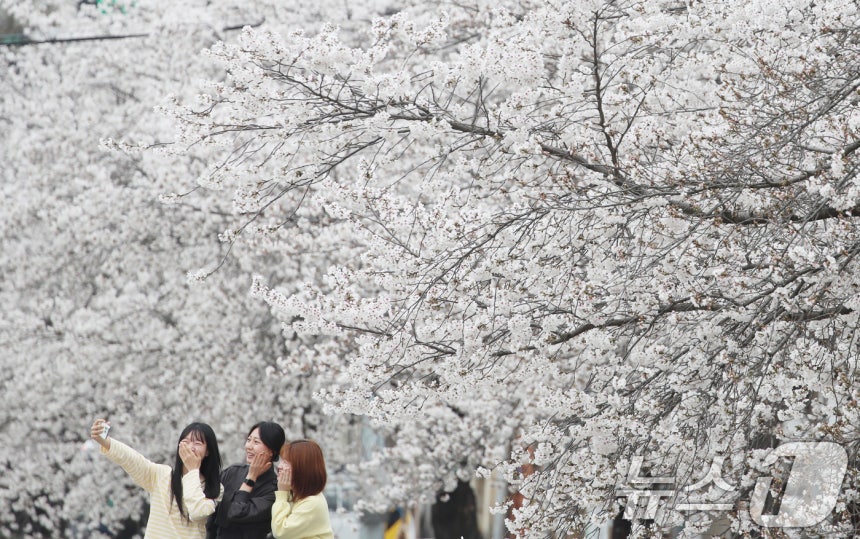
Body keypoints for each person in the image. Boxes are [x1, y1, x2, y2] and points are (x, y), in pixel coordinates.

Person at [90, 418, 223, 539]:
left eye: (197, 443)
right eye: (186, 442)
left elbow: (197, 512)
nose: (190, 447)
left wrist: (192, 470)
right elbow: (133, 460)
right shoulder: (162, 475)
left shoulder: (215, 488)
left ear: (208, 451)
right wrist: (105, 441)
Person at [207, 421, 286, 538]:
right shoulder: (232, 472)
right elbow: (211, 515)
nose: (248, 446)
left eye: (256, 442)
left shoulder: (274, 490)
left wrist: (251, 478)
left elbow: (236, 512)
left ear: (271, 451)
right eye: (249, 440)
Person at [271, 440, 334, 539]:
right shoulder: (295, 495)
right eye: (281, 461)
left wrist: (282, 493)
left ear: (302, 468)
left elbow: (280, 532)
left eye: (286, 462)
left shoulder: (312, 502)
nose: (279, 466)